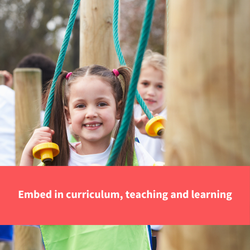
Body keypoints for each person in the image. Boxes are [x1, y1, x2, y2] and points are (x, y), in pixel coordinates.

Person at [20, 64, 154, 250]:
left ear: (118, 109)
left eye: (101, 104)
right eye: (81, 105)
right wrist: (27, 154)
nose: (91, 113)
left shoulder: (134, 156)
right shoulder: (57, 164)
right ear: (68, 114)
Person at [134, 50, 166, 163]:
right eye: (145, 84)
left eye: (160, 86)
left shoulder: (172, 117)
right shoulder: (130, 112)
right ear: (135, 83)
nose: (151, 92)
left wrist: (161, 134)